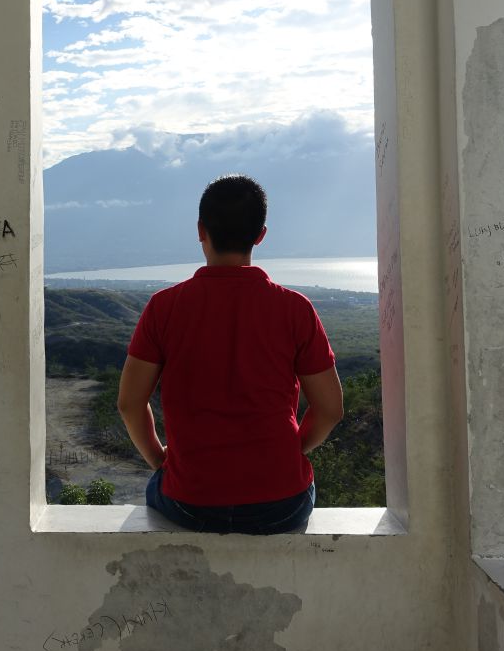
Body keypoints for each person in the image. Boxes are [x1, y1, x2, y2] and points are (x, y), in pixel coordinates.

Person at [117, 174, 343, 534]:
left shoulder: (164, 308)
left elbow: (130, 403)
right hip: (281, 506)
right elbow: (330, 409)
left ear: (200, 230)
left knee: (155, 490)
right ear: (260, 235)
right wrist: (291, 452)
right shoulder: (295, 309)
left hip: (190, 503)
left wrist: (160, 460)